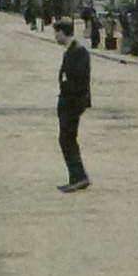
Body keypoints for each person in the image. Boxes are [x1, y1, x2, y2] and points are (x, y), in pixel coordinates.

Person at [53, 19, 92, 193]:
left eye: (56, 32)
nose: (55, 36)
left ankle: (79, 177)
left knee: (67, 139)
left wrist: (70, 95)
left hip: (72, 102)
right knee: (67, 139)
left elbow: (79, 79)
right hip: (68, 101)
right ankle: (77, 177)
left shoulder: (79, 52)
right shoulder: (71, 51)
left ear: (63, 32)